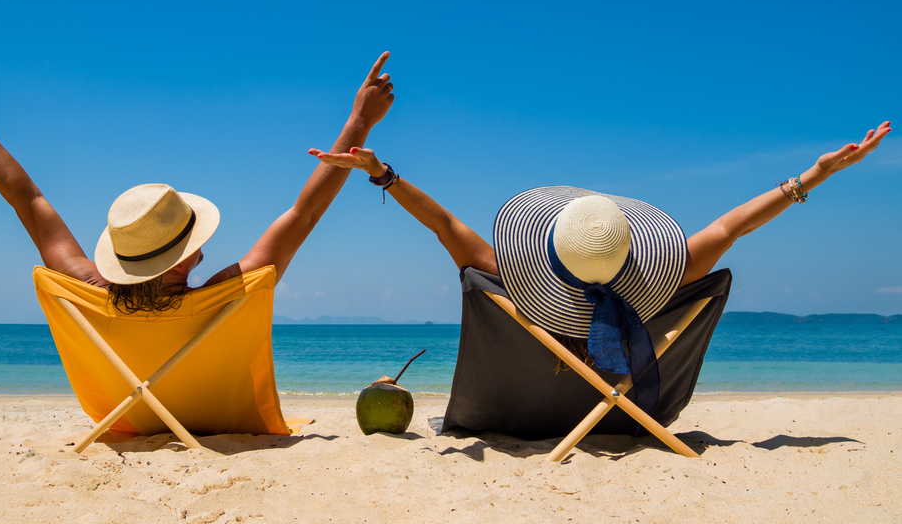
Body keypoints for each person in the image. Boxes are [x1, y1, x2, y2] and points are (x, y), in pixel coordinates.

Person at [311, 121, 891, 406]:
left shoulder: (509, 281)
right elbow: (732, 226)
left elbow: (441, 224)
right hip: (627, 409)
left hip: (524, 411)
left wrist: (383, 174)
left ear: (543, 249)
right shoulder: (671, 277)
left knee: (473, 273)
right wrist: (816, 176)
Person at [0, 51, 395, 309]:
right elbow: (304, 214)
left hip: (127, 413)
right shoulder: (223, 297)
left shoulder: (89, 291)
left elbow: (27, 201)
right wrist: (359, 122)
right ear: (191, 252)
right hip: (203, 417)